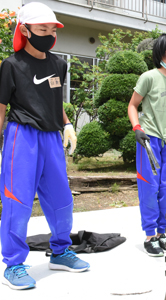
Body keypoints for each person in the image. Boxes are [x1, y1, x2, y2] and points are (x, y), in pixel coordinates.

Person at [0, 2, 89, 290]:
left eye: (53, 30)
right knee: (18, 201)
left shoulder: (58, 64)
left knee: (61, 199)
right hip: (21, 137)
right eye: (42, 29)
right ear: (25, 30)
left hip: (52, 137)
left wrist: (67, 123)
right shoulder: (11, 65)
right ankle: (14, 264)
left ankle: (61, 251)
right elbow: (1, 107)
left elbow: (54, 100)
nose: (49, 35)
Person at [127, 33, 166, 257]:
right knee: (149, 186)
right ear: (160, 53)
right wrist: (137, 128)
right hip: (149, 138)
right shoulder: (148, 77)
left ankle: (164, 232)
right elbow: (133, 105)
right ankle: (150, 234)